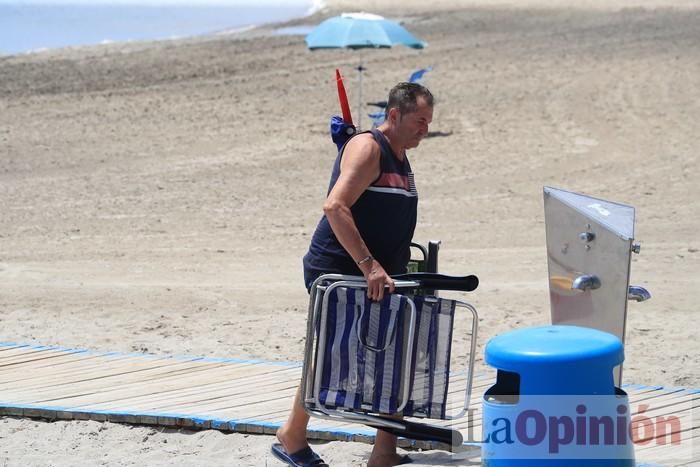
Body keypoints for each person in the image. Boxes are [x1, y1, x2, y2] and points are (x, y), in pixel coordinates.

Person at [272, 82, 434, 467]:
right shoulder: (368, 147)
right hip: (340, 269)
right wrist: (370, 265)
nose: (425, 129)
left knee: (394, 353)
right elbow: (335, 207)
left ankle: (384, 451)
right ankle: (291, 436)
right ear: (394, 115)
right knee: (330, 353)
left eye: (429, 122)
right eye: (420, 120)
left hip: (382, 274)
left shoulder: (400, 155)